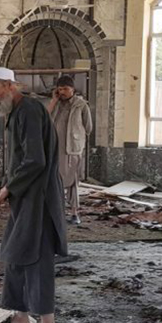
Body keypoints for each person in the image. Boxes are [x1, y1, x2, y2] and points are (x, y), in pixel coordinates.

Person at [0, 67, 67, 323]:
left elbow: (35, 161)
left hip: (39, 198)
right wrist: (2, 186)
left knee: (36, 259)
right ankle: (20, 316)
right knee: (16, 251)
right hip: (25, 196)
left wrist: (7, 190)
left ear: (10, 86)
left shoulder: (29, 110)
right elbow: (17, 159)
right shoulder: (16, 112)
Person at [47, 75, 92, 225]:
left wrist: (76, 136)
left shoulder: (81, 105)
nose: (62, 92)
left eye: (65, 89)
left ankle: (74, 213)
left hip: (73, 149)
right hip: (56, 148)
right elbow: (45, 119)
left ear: (72, 89)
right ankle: (58, 212)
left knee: (73, 180)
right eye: (60, 89)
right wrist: (54, 100)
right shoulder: (56, 104)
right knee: (56, 179)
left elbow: (88, 127)